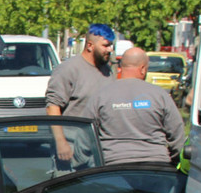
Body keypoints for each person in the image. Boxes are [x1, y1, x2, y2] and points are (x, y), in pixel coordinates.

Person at [86, 46, 186, 166]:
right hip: (155, 167)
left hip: (112, 167)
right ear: (143, 69)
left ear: (119, 68)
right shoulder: (160, 95)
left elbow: (84, 136)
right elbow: (177, 136)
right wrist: (173, 163)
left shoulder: (101, 95)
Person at [46, 23, 115, 166]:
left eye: (111, 45)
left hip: (99, 148)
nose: (110, 50)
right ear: (90, 45)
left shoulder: (108, 71)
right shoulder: (68, 69)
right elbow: (53, 107)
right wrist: (60, 142)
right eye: (106, 45)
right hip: (71, 148)